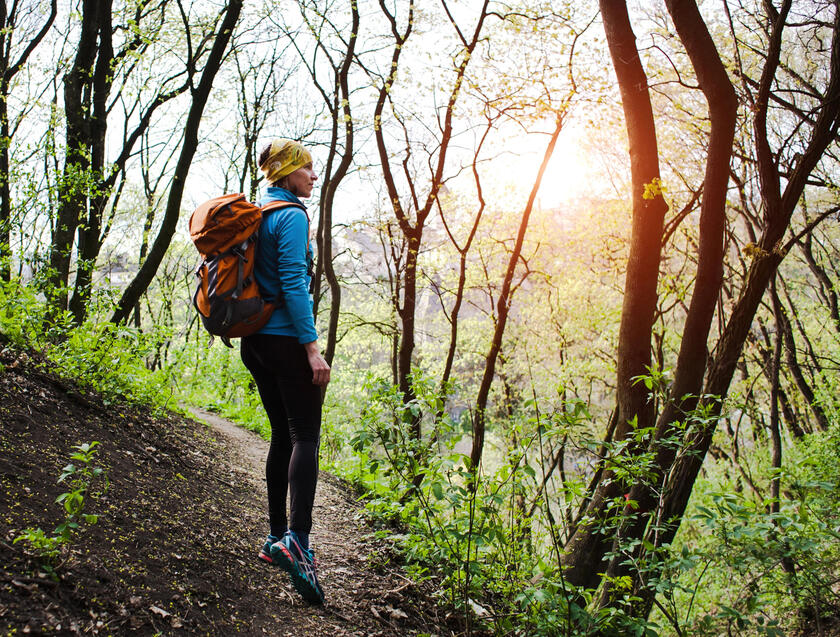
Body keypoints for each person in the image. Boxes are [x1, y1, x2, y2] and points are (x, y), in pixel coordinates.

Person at [241, 138, 330, 604]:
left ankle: (277, 537)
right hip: (283, 341)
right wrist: (311, 347)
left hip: (254, 343)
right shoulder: (292, 216)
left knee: (281, 434)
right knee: (305, 437)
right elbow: (295, 282)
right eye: (307, 169)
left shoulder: (258, 213)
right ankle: (298, 540)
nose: (313, 176)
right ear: (287, 172)